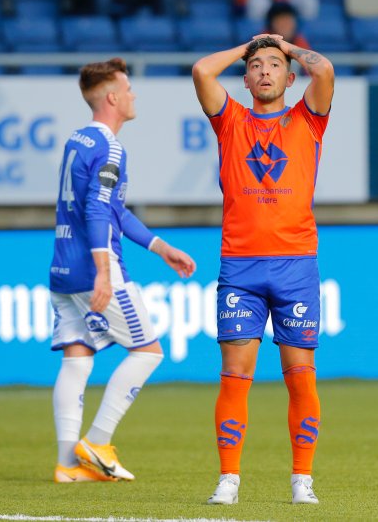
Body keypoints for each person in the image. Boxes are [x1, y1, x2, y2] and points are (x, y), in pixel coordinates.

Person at [192, 33, 333, 505]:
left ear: (290, 77)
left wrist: (287, 46)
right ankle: (229, 478)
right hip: (240, 266)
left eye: (275, 65)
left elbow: (326, 71)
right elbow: (201, 72)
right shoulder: (231, 121)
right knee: (234, 373)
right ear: (248, 79)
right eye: (257, 66)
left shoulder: (308, 121)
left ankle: (302, 480)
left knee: (301, 375)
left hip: (296, 265)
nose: (265, 71)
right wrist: (248, 45)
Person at [50, 58, 196, 483]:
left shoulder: (77, 140)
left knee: (77, 359)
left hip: (61, 263)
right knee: (148, 351)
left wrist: (160, 247)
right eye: (128, 88)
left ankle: (67, 464)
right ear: (112, 97)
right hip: (94, 265)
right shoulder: (110, 146)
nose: (133, 95)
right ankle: (97, 441)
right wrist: (102, 272)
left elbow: (113, 209)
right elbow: (98, 209)